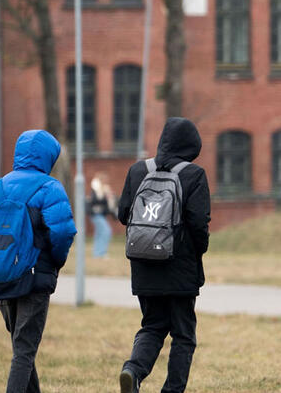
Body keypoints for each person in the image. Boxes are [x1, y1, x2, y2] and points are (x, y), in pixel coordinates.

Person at [0, 129, 76, 393]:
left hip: (1, 278)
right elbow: (63, 234)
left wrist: (4, 261)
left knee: (22, 348)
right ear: (47, 157)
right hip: (33, 276)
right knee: (24, 351)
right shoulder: (49, 188)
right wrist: (56, 262)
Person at [117, 117, 211, 393]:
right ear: (192, 146)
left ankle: (132, 371)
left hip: (144, 265)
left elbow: (123, 215)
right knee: (183, 335)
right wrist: (198, 252)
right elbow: (198, 224)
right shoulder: (194, 174)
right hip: (180, 268)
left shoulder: (138, 170)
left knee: (152, 325)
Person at [89, 175, 116, 258]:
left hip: (101, 215)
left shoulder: (104, 189)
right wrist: (105, 196)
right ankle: (101, 252)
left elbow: (106, 204)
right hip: (96, 214)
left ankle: (97, 253)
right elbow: (94, 201)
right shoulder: (95, 189)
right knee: (106, 231)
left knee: (99, 233)